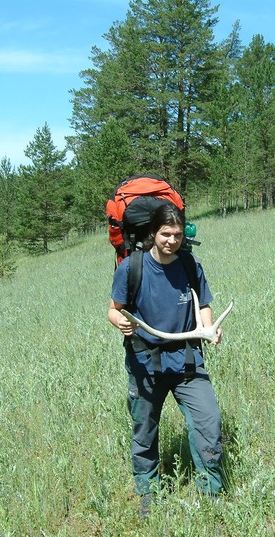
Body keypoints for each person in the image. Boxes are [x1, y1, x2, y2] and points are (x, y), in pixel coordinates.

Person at [108, 204, 224, 516]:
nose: (171, 240)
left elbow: (204, 303)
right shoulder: (131, 268)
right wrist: (120, 322)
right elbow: (114, 309)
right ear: (152, 233)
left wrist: (209, 328)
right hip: (145, 363)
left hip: (187, 361)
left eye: (177, 234)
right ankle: (148, 492)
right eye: (165, 234)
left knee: (209, 421)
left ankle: (211, 492)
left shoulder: (189, 264)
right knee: (144, 429)